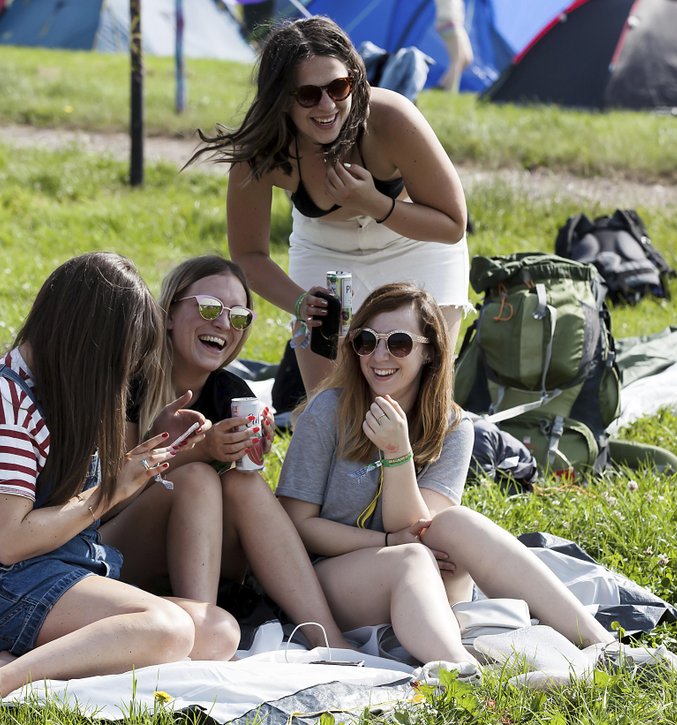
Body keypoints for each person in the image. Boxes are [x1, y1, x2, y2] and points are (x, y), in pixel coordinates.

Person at [0, 253, 240, 701]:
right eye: (124, 357)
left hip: (57, 566)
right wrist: (112, 488)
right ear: (89, 338)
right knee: (169, 631)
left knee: (218, 632)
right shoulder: (4, 401)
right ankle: (2, 678)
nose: (125, 372)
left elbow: (81, 501)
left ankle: (27, 658)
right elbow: (9, 541)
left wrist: (151, 444)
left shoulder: (61, 386)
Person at [276, 283, 615, 669]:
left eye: (399, 343)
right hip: (328, 582)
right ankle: (461, 674)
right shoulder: (329, 410)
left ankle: (604, 646)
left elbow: (421, 528)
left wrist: (397, 454)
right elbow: (297, 526)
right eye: (366, 341)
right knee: (409, 559)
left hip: (425, 579)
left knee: (455, 522)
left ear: (430, 352)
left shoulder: (453, 426)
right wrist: (385, 538)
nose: (379, 355)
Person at [187, 16, 472, 394]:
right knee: (329, 406)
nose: (327, 105)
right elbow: (248, 254)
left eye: (339, 87)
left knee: (421, 400)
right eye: (308, 94)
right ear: (281, 98)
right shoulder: (263, 149)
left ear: (355, 78)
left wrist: (375, 203)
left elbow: (452, 224)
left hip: (414, 244)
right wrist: (301, 302)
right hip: (325, 248)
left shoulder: (390, 118)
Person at [105, 255, 348, 649]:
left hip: (207, 563)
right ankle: (202, 635)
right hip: (118, 557)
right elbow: (106, 500)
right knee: (199, 477)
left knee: (243, 483)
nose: (223, 323)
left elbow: (239, 506)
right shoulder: (128, 380)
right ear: (168, 314)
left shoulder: (232, 393)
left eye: (238, 316)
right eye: (210, 307)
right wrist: (198, 453)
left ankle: (327, 637)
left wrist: (246, 455)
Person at [433, 0, 474, 93]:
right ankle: (451, 91)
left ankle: (441, 85)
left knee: (467, 59)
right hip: (448, 21)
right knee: (457, 60)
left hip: (457, 23)